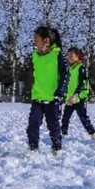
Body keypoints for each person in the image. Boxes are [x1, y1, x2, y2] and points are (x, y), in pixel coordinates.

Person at [27, 26, 68, 154]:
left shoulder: (57, 54)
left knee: (53, 125)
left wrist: (60, 93)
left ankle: (57, 147)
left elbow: (65, 75)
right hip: (37, 97)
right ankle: (33, 147)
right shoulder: (35, 55)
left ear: (46, 41)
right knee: (33, 124)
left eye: (36, 39)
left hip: (53, 98)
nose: (35, 42)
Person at [61, 47, 95, 140]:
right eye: (68, 55)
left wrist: (76, 95)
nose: (69, 57)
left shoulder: (81, 68)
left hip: (79, 97)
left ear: (77, 56)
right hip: (70, 99)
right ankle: (63, 134)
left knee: (83, 117)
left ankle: (93, 134)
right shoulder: (69, 68)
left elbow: (82, 83)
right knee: (65, 118)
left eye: (71, 55)